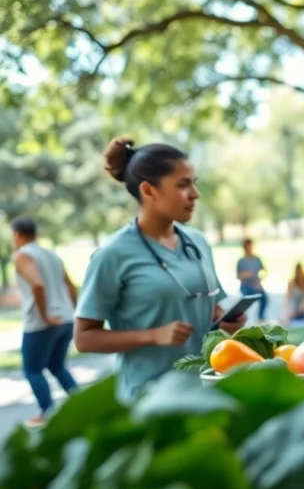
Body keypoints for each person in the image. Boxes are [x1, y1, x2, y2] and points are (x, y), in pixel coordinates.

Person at [74, 137, 247, 401]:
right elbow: (84, 339)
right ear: (149, 190)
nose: (195, 194)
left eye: (194, 183)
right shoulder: (112, 254)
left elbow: (210, 309)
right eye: (183, 184)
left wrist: (225, 323)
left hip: (204, 391)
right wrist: (153, 335)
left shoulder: (197, 242)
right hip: (148, 399)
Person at [11, 217, 79, 425]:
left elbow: (38, 286)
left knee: (32, 370)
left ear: (17, 235)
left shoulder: (22, 255)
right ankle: (81, 405)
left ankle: (47, 414)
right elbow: (71, 286)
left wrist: (45, 316)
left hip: (42, 323)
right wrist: (72, 311)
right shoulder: (52, 255)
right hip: (66, 319)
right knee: (57, 366)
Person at [237, 238, 268, 322]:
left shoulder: (257, 259)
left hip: (256, 285)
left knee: (265, 298)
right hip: (246, 286)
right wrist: (245, 275)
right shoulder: (241, 261)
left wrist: (260, 280)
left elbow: (264, 271)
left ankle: (260, 318)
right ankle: (241, 319)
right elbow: (238, 276)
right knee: (245, 301)